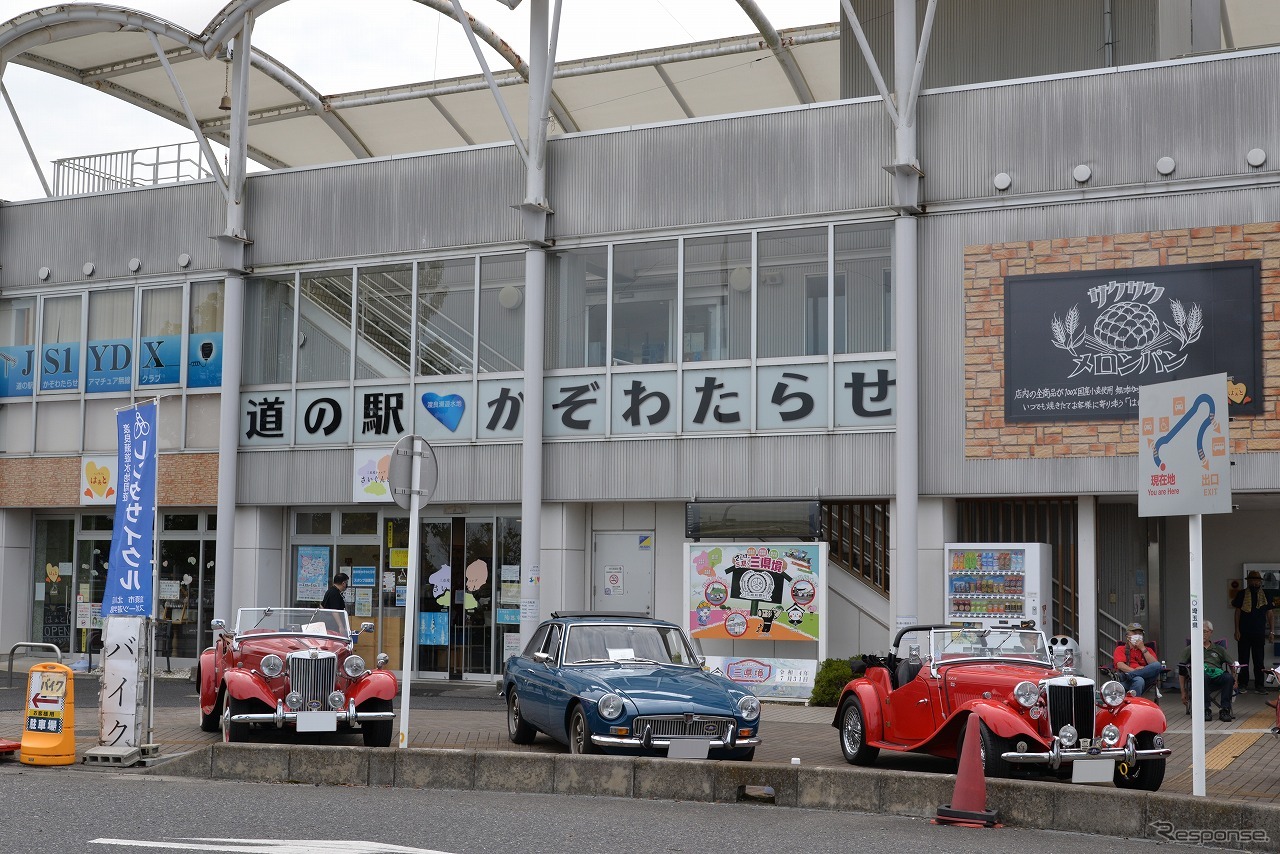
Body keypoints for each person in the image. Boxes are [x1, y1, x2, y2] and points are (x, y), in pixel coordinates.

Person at [1180, 620, 1236, 722]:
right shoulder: (1191, 649)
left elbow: (1233, 665)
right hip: (1200, 679)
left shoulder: (1219, 649)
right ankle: (1205, 709)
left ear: (1211, 632)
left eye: (1205, 631)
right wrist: (1183, 691)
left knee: (1228, 678)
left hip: (1217, 675)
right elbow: (1181, 669)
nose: (1202, 634)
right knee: (1203, 676)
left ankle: (1225, 709)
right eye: (1200, 631)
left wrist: (1236, 679)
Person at [1232, 569, 1275, 693]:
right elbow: (1237, 612)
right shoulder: (1241, 594)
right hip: (1244, 631)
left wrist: (1272, 632)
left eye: (1257, 580)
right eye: (1252, 580)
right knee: (1243, 659)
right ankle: (1243, 684)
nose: (1255, 583)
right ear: (1248, 581)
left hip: (1259, 632)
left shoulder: (1266, 595)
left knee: (1259, 659)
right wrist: (1236, 630)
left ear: (1260, 582)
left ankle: (1259, 685)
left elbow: (1270, 613)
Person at [1112, 621, 1164, 696]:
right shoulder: (1120, 649)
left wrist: (1143, 649)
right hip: (1129, 681)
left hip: (1146, 679)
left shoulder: (1148, 650)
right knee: (1139, 680)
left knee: (1157, 665)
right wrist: (1135, 670)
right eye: (1135, 633)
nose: (1138, 636)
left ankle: (1131, 675)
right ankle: (1134, 704)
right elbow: (1120, 665)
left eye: (1140, 634)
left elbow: (1154, 665)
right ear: (1127, 636)